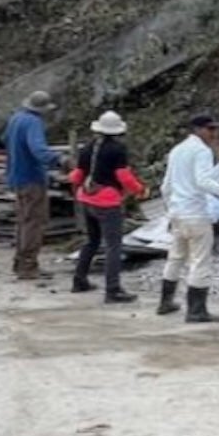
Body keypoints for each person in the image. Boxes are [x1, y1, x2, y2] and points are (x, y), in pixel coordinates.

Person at [159, 113, 219, 323]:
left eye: (215, 129)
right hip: (195, 213)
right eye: (210, 129)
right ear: (198, 130)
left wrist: (170, 209)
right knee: (200, 261)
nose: (214, 133)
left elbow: (166, 185)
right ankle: (196, 311)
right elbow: (203, 181)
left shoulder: (177, 150)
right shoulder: (202, 151)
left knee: (175, 257)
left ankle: (165, 302)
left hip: (178, 213)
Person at [69, 110, 147, 303]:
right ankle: (113, 290)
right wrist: (139, 189)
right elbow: (123, 176)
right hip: (107, 202)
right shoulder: (117, 149)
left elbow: (77, 175)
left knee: (92, 241)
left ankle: (79, 280)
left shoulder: (88, 148)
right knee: (114, 246)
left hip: (87, 199)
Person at [6, 91, 66, 281]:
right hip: (32, 178)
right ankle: (28, 266)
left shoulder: (16, 119)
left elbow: (5, 140)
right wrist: (60, 159)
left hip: (17, 177)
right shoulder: (33, 122)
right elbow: (38, 149)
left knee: (24, 220)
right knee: (35, 222)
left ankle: (20, 262)